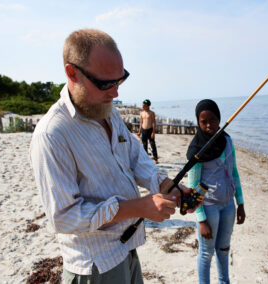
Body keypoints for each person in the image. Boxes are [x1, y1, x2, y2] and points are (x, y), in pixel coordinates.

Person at [30, 28, 189, 284]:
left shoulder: (107, 110)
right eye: (105, 83)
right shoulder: (52, 134)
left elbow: (137, 159)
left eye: (120, 80)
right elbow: (64, 217)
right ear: (72, 73)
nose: (115, 93)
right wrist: (140, 207)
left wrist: (166, 185)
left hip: (126, 249)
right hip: (95, 266)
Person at [187, 99, 246, 284]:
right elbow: (193, 186)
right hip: (209, 207)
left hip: (228, 205)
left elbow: (234, 172)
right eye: (203, 122)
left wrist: (240, 203)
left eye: (212, 120)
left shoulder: (227, 141)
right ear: (198, 122)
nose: (208, 125)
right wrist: (201, 219)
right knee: (206, 253)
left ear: (219, 119)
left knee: (224, 249)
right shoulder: (197, 149)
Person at [137, 99, 158, 163]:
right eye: (142, 105)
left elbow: (154, 123)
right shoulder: (141, 113)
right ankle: (145, 158)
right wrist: (139, 131)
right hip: (143, 130)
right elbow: (141, 123)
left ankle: (155, 158)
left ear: (147, 106)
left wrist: (153, 133)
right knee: (144, 144)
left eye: (144, 105)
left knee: (152, 144)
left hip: (150, 130)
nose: (142, 107)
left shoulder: (151, 113)